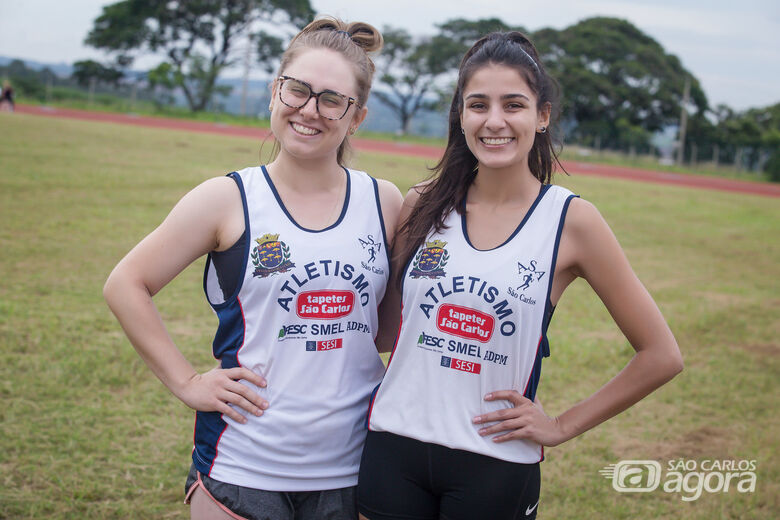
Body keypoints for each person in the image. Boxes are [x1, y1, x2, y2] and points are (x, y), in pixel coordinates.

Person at [358, 31, 683, 520]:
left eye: (513, 105)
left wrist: (561, 426)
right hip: (391, 449)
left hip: (494, 464)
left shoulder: (571, 221)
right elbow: (384, 331)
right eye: (478, 105)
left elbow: (661, 355)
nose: (494, 122)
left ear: (542, 115)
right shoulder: (421, 205)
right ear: (460, 115)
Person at [104, 17, 402, 520]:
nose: (310, 110)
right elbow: (126, 284)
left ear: (357, 117)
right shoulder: (228, 198)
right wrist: (186, 383)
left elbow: (383, 330)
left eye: (332, 100)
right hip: (241, 467)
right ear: (274, 92)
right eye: (298, 90)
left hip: (354, 468)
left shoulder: (384, 202)